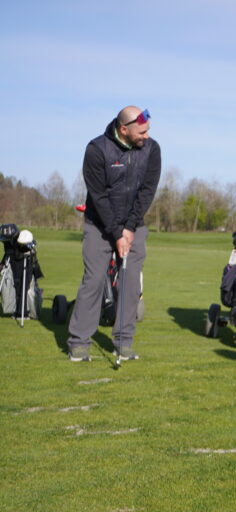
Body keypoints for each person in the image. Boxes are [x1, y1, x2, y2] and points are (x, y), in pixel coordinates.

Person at [67, 106, 161, 362]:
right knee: (94, 281)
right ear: (123, 129)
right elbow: (98, 197)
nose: (146, 136)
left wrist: (129, 228)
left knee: (131, 285)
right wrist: (117, 233)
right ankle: (79, 342)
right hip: (99, 225)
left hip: (134, 226)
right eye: (141, 132)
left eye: (148, 130)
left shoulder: (152, 149)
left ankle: (123, 341)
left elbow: (147, 191)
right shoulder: (96, 149)